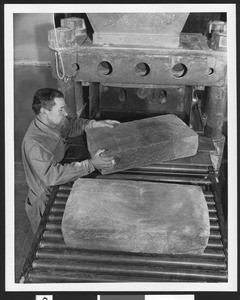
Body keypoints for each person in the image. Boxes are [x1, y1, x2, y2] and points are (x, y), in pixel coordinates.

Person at [22, 87, 119, 233]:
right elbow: (52, 176)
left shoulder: (52, 122)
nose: (65, 113)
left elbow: (71, 125)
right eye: (61, 110)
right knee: (50, 239)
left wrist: (93, 124)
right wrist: (91, 164)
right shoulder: (35, 143)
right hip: (45, 199)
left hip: (56, 183)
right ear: (44, 111)